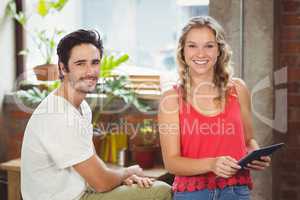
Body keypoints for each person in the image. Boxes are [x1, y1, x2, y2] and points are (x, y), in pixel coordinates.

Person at [21, 29, 171, 200]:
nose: (90, 71)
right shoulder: (59, 115)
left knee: (150, 187)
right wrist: (127, 172)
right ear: (63, 68)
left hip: (82, 191)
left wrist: (122, 178)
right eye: (80, 63)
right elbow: (101, 182)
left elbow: (95, 171)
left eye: (94, 62)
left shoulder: (81, 107)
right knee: (161, 192)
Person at [158, 16, 271, 200]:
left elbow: (248, 140)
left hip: (236, 192)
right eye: (192, 45)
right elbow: (172, 163)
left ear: (219, 50)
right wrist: (212, 164)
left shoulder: (238, 89)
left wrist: (255, 156)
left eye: (209, 46)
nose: (201, 53)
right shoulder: (171, 99)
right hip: (192, 195)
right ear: (183, 52)